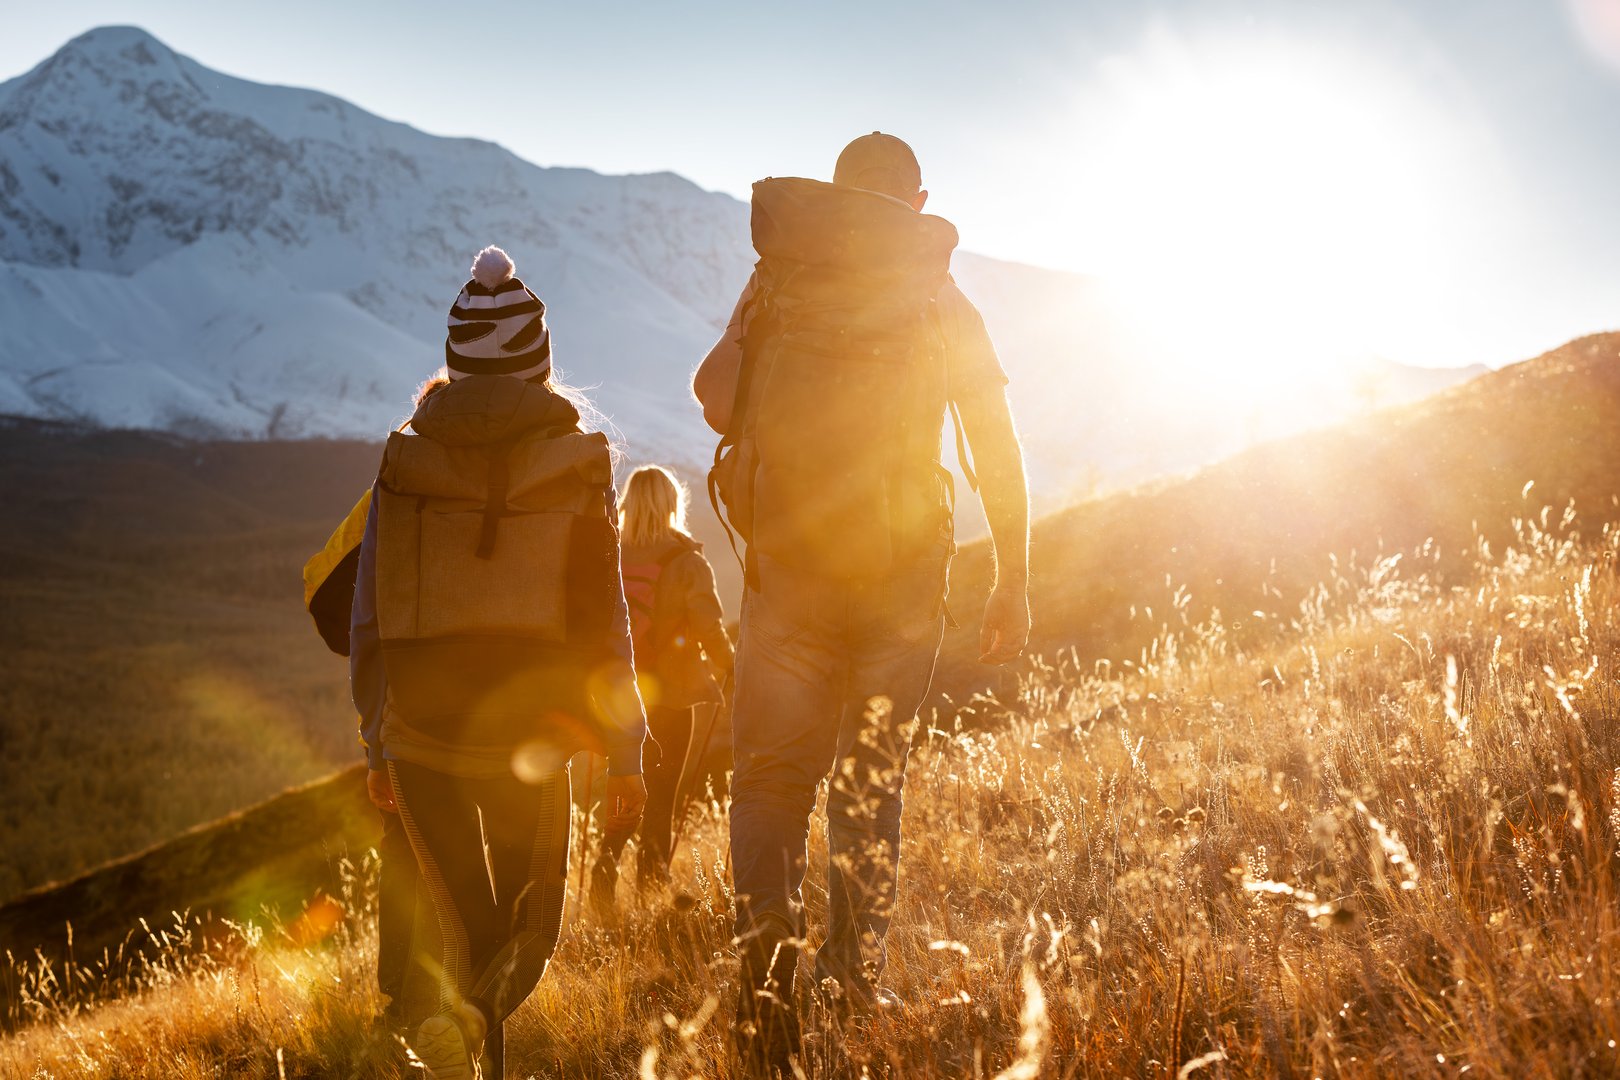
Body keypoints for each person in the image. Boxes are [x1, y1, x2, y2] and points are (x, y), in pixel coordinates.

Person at [693, 133, 1031, 1072]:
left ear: (836, 195)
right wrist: (1015, 574)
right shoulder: (940, 293)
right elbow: (993, 443)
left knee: (768, 780)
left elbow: (714, 398)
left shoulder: (779, 280)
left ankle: (766, 1002)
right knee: (870, 776)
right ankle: (853, 977)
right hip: (901, 574)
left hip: (791, 567)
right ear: (918, 203)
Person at [351, 246, 648, 1080]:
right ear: (539, 363)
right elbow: (606, 621)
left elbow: (369, 612)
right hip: (532, 736)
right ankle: (474, 1034)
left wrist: (376, 740)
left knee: (462, 927)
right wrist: (625, 750)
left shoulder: (404, 458)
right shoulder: (576, 465)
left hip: (419, 731)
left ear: (453, 359)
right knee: (529, 932)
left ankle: (461, 1038)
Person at [590, 465, 735, 913]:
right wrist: (731, 669)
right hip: (671, 695)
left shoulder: (609, 553)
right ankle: (651, 884)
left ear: (630, 503)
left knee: (620, 782)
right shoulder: (686, 561)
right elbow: (709, 627)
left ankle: (605, 867)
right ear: (673, 504)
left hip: (616, 693)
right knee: (662, 791)